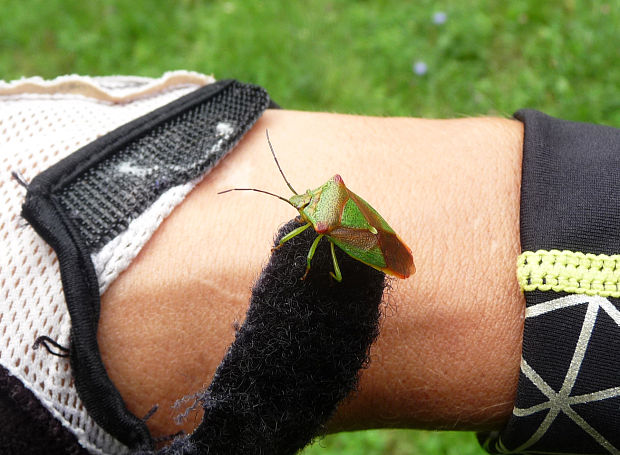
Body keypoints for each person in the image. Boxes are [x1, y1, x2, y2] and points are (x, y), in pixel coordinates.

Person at [0, 73, 618, 454]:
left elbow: (330, 221)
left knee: (326, 253)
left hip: (370, 234)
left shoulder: (325, 225)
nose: (305, 216)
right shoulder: (323, 207)